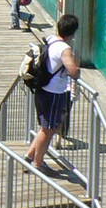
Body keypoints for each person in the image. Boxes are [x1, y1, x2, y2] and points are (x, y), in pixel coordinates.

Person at [25, 13, 81, 173]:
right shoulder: (65, 49)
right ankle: (39, 162)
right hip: (54, 93)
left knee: (45, 127)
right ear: (73, 33)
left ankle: (30, 155)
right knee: (49, 129)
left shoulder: (51, 40)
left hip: (42, 89)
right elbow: (73, 71)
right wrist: (76, 66)